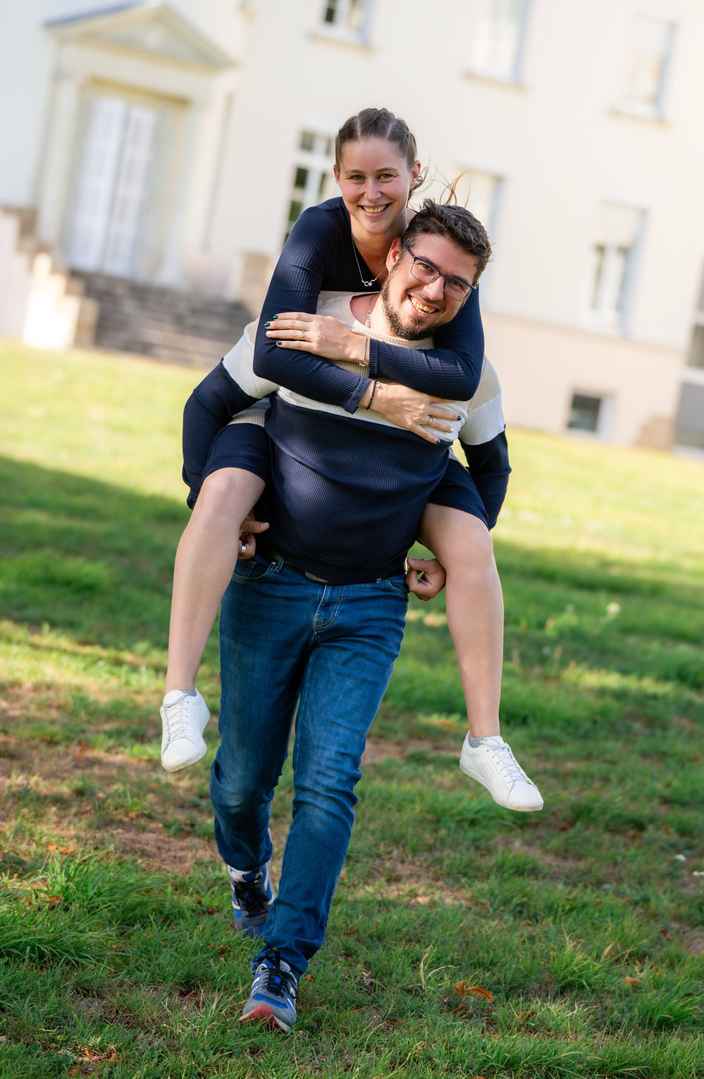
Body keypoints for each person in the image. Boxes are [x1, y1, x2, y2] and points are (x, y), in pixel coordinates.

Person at [206, 201, 541, 1031]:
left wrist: (452, 549)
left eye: (455, 284)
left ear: (471, 299)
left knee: (328, 780)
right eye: (423, 267)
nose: (434, 290)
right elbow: (210, 402)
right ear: (392, 256)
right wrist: (215, 503)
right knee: (244, 779)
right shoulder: (308, 326)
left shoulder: (470, 377)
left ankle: (280, 961)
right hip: (272, 584)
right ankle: (247, 866)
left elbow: (491, 471)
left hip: (368, 605)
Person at [160, 107, 542, 814]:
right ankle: (178, 693)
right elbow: (266, 360)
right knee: (221, 496)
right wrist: (373, 393)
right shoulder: (319, 237)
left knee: (472, 540)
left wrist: (360, 350)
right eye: (356, 177)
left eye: (387, 176)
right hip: (275, 421)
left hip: (403, 458)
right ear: (337, 180)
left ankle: (486, 738)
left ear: (414, 175)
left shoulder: (448, 273)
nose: (372, 192)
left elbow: (461, 382)